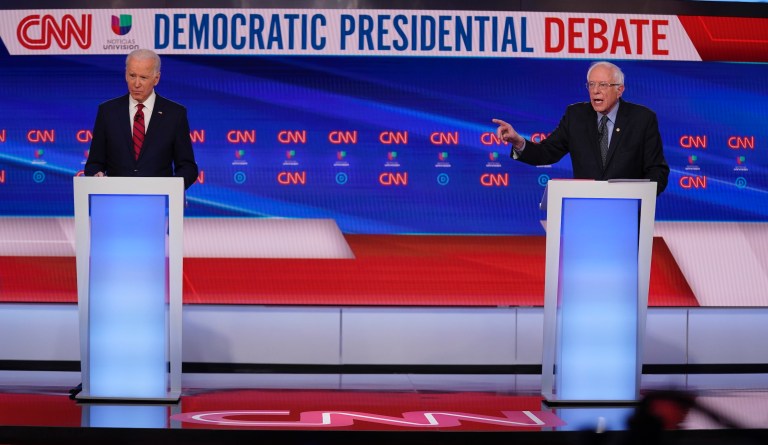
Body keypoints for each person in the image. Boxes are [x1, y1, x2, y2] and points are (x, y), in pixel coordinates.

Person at [492, 61, 669, 195]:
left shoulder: (642, 119)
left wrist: (639, 197)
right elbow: (546, 152)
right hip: (584, 208)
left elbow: (657, 170)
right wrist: (518, 141)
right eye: (591, 84)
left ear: (620, 89)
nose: (595, 91)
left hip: (628, 210)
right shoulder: (575, 115)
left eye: (603, 85)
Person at [85, 49, 198, 189]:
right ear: (126, 75)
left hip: (159, 202)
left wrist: (172, 188)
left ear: (156, 79)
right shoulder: (108, 111)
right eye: (132, 75)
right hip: (115, 200)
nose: (136, 83)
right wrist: (96, 175)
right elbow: (94, 163)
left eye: (143, 77)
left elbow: (188, 167)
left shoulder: (175, 114)